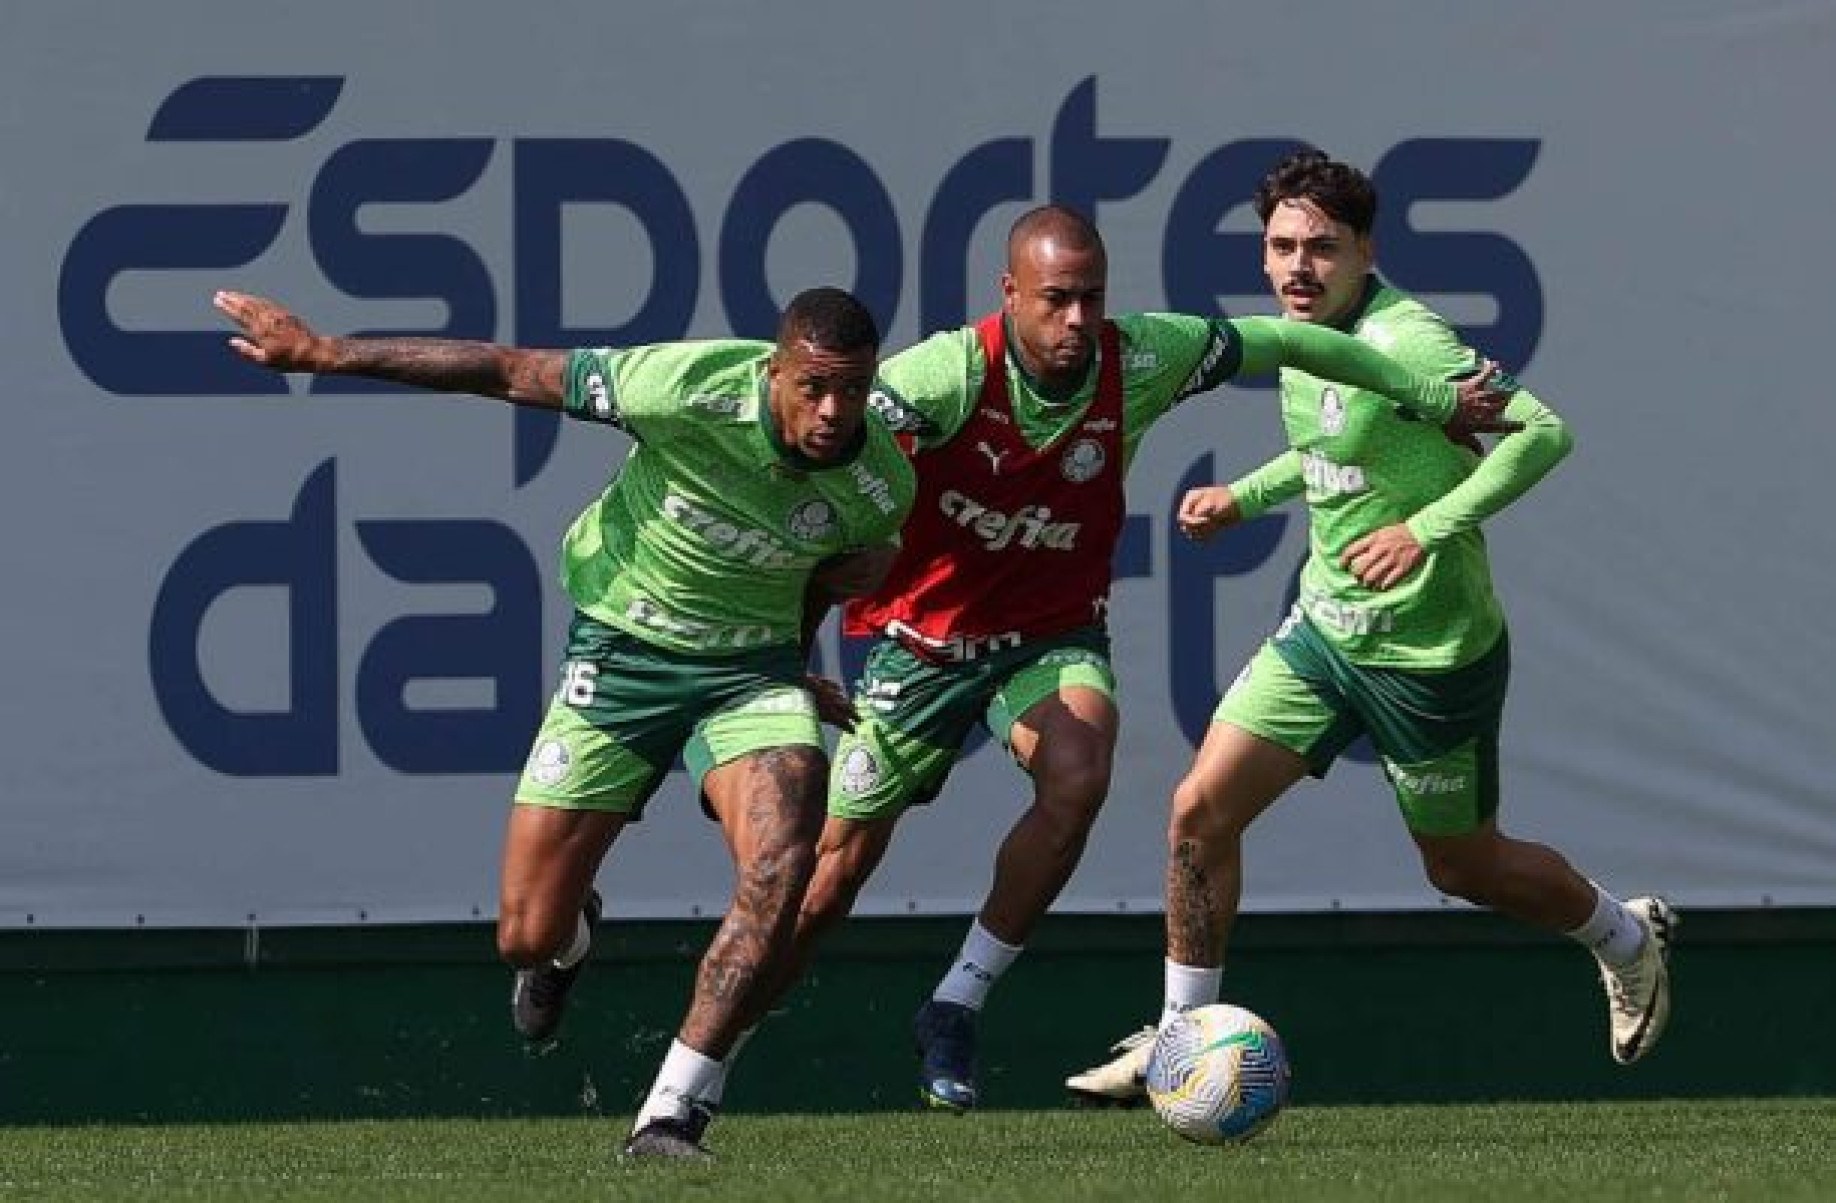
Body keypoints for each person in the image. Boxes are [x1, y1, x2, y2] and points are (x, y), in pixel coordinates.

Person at [757, 203, 1513, 1113]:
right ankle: (706, 1064)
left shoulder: (1144, 356)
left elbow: (1289, 343)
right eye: (1056, 300)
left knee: (1079, 774)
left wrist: (1433, 399)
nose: (1078, 320)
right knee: (828, 876)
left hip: (1051, 634)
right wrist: (786, 646)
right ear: (1010, 295)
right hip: (924, 642)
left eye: (1092, 298)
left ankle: (956, 1000)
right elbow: (813, 472)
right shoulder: (946, 375)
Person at [213, 285, 915, 1159]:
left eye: (851, 389)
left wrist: (790, 669)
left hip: (746, 676)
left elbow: (825, 575)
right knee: (525, 931)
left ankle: (673, 1110)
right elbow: (508, 369)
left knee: (782, 853)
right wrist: (325, 353)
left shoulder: (879, 480)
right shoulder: (684, 388)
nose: (832, 410)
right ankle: (567, 946)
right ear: (774, 371)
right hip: (623, 654)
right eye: (813, 387)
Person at [1064, 149, 1675, 1105]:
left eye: (1322, 248)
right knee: (1198, 810)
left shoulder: (1413, 341)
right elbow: (1330, 452)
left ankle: (1624, 939)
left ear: (1365, 251)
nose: (1298, 267)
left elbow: (1546, 432)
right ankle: (1181, 1035)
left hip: (1431, 654)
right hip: (1324, 634)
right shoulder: (1301, 334)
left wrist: (1428, 529)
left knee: (1463, 864)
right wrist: (1246, 497)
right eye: (1282, 246)